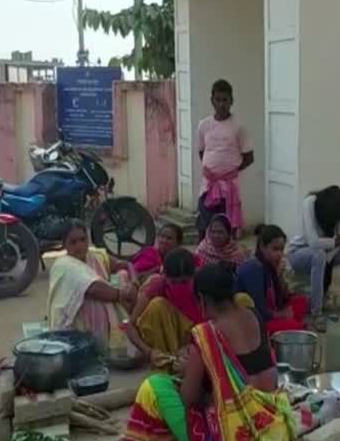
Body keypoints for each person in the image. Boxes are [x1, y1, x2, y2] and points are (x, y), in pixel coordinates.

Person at [122, 263, 296, 441]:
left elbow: (189, 398)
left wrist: (190, 369)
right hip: (272, 430)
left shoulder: (206, 334)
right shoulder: (254, 316)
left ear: (202, 300)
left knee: (155, 386)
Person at [47, 220, 139, 357]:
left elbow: (126, 265)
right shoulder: (64, 265)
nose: (79, 246)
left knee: (122, 276)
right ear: (64, 244)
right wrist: (123, 295)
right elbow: (93, 288)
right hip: (75, 325)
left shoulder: (95, 256)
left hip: (103, 320)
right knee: (97, 299)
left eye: (83, 240)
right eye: (73, 242)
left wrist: (134, 283)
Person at [287, 186, 340, 320]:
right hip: (298, 253)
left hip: (325, 253)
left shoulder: (338, 209)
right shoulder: (309, 202)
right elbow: (313, 242)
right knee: (318, 254)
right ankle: (317, 312)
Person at [196, 79, 254, 239]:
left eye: (225, 100)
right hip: (208, 187)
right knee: (207, 227)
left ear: (231, 101)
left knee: (226, 231)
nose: (221, 104)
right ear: (212, 101)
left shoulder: (239, 126)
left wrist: (228, 173)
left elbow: (249, 157)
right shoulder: (203, 125)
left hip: (229, 189)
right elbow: (202, 152)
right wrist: (214, 173)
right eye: (218, 100)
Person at [126, 248, 203, 360]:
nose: (179, 286)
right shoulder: (157, 286)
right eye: (174, 282)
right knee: (157, 305)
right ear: (164, 275)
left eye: (184, 282)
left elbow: (214, 321)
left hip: (197, 340)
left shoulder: (202, 285)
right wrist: (149, 352)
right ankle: (167, 360)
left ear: (194, 274)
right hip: (167, 344)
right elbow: (131, 326)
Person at [236, 225, 310, 334]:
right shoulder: (254, 268)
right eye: (275, 249)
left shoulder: (269, 265)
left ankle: (288, 326)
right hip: (253, 322)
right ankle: (290, 327)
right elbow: (259, 311)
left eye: (281, 249)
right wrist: (281, 315)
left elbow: (282, 298)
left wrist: (279, 277)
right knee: (295, 326)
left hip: (269, 312)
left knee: (301, 301)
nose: (280, 254)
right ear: (262, 247)